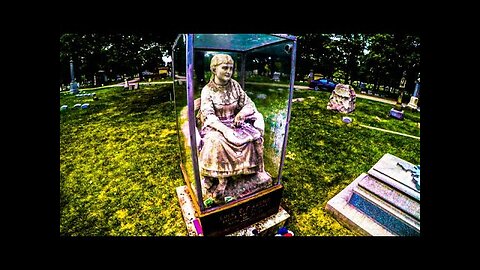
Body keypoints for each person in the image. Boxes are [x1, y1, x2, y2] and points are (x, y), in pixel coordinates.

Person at [197, 54, 270, 203]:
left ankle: (253, 172)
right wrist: (225, 130)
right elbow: (208, 115)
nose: (228, 71)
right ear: (214, 69)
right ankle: (222, 180)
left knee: (254, 137)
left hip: (234, 123)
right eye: (224, 68)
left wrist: (242, 114)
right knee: (216, 141)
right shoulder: (208, 90)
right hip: (215, 126)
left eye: (231, 68)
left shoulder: (235, 86)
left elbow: (249, 104)